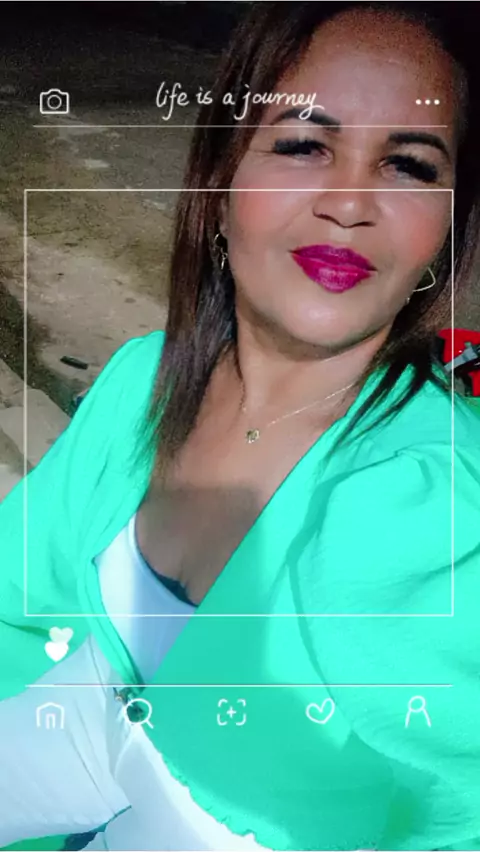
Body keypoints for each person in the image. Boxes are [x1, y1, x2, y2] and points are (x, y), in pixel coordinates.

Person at [1, 2, 480, 850]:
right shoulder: (140, 382)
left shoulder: (428, 507)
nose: (350, 203)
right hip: (85, 733)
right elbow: (18, 596)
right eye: (304, 146)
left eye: (407, 165)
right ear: (220, 185)